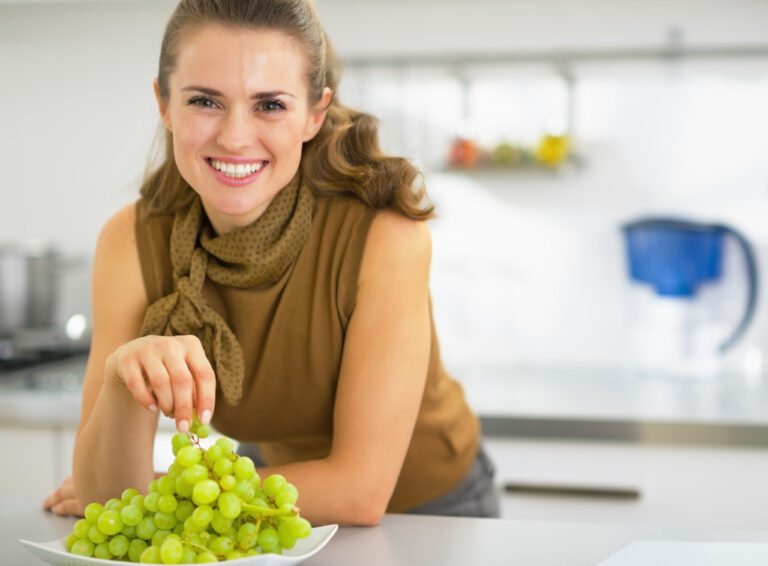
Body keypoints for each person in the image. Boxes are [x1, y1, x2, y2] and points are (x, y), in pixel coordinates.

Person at [43, 0, 499, 525]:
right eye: (205, 101)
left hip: (431, 512)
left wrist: (165, 492)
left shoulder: (385, 233)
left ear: (315, 114)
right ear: (164, 104)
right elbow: (106, 498)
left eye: (270, 105)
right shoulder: (130, 239)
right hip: (272, 498)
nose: (235, 137)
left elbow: (359, 491)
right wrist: (122, 383)